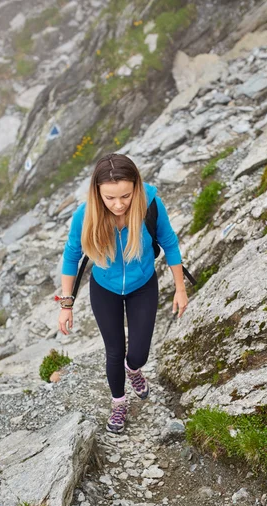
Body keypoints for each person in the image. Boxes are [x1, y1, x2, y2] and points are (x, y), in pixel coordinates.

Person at [58, 152, 188, 434]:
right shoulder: (85, 215)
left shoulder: (150, 204)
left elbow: (170, 243)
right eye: (110, 198)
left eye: (125, 196)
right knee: (114, 351)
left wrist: (180, 288)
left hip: (143, 285)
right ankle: (118, 402)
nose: (118, 205)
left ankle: (135, 370)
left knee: (138, 353)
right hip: (105, 289)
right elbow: (71, 257)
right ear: (97, 193)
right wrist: (66, 304)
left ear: (136, 187)